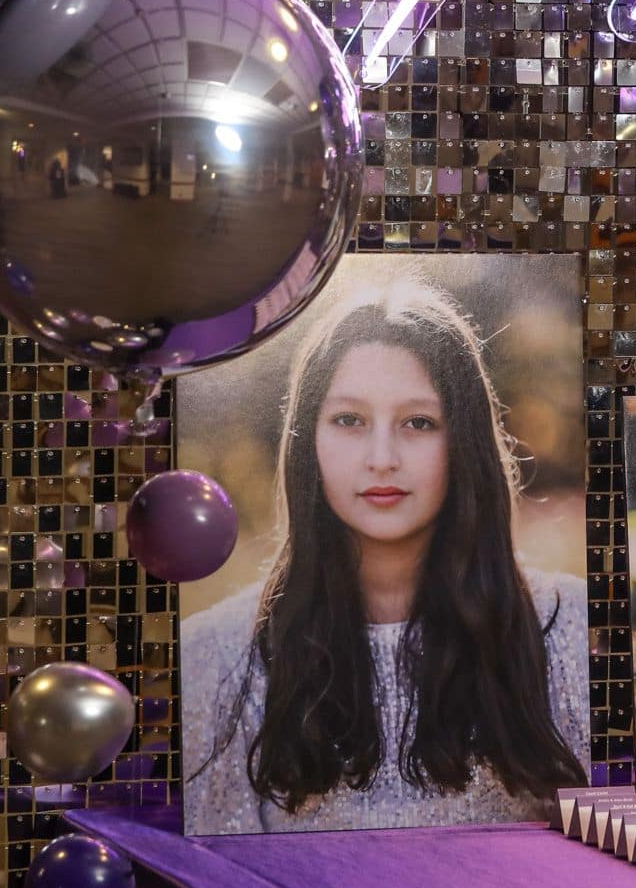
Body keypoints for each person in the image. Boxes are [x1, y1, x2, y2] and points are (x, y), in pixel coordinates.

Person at [181, 273, 588, 832]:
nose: (381, 457)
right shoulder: (216, 656)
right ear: (309, 441)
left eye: (418, 423)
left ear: (463, 442)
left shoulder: (569, 630)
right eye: (349, 420)